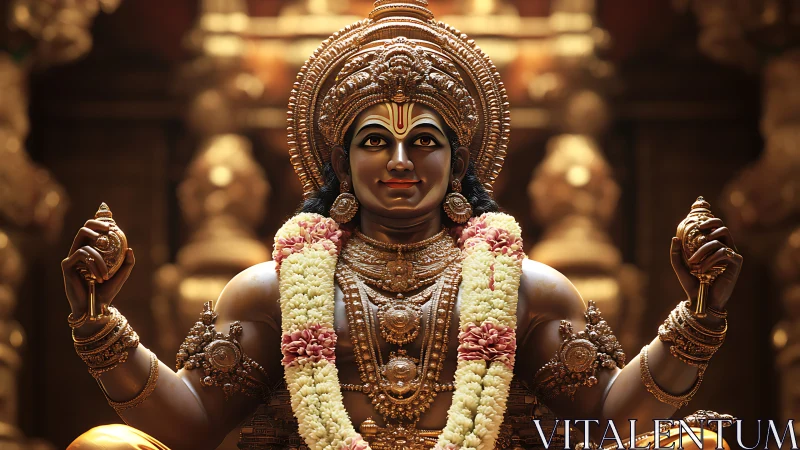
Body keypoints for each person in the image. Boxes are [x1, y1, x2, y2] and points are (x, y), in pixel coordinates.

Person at [65, 2, 742, 449]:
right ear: (339, 160)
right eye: (372, 142)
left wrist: (699, 315)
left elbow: (608, 420)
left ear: (458, 159)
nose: (397, 161)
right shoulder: (270, 290)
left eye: (423, 141)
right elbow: (189, 426)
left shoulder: (527, 289)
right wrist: (99, 325)